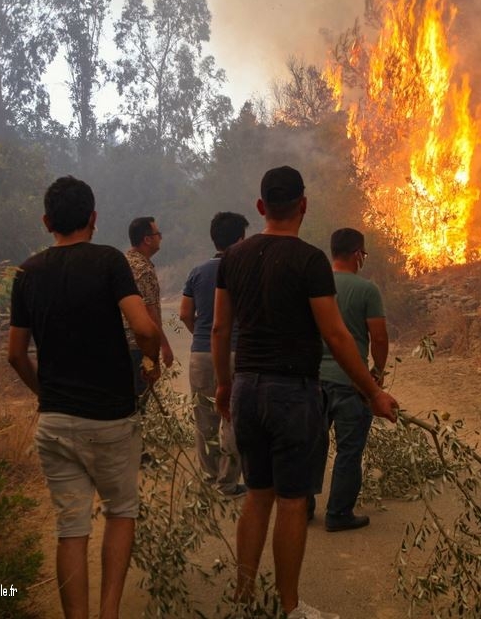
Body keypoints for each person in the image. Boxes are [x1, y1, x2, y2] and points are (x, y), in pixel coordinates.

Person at [212, 166, 398, 619]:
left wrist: (223, 384)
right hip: (292, 392)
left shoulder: (233, 258)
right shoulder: (310, 260)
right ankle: (290, 607)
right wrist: (372, 391)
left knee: (258, 495)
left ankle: (243, 596)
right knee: (292, 502)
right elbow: (336, 336)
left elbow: (220, 327)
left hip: (246, 389)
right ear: (303, 205)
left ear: (260, 207)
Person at [7, 176, 161, 619]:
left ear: (46, 221)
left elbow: (16, 355)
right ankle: (108, 612)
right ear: (93, 219)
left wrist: (48, 395)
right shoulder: (110, 261)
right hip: (111, 419)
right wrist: (149, 363)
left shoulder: (27, 273)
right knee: (120, 512)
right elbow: (146, 329)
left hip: (56, 423)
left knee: (70, 529)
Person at [311, 228, 388, 532]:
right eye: (363, 254)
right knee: (349, 450)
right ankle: (339, 514)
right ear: (357, 253)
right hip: (352, 382)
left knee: (311, 446)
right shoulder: (367, 290)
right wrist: (377, 374)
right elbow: (379, 337)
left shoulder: (315, 286)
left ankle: (301, 507)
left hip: (313, 380)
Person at [180, 211, 249, 498]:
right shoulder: (245, 269)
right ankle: (228, 483)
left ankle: (209, 477)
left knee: (204, 418)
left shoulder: (197, 272)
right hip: (235, 352)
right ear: (240, 239)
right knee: (232, 417)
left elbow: (185, 313)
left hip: (200, 354)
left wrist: (202, 334)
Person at [125, 216, 174, 394]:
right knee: (142, 402)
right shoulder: (144, 270)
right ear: (147, 239)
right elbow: (149, 312)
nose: (160, 237)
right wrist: (164, 346)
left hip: (120, 345)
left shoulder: (122, 263)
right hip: (140, 347)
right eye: (158, 234)